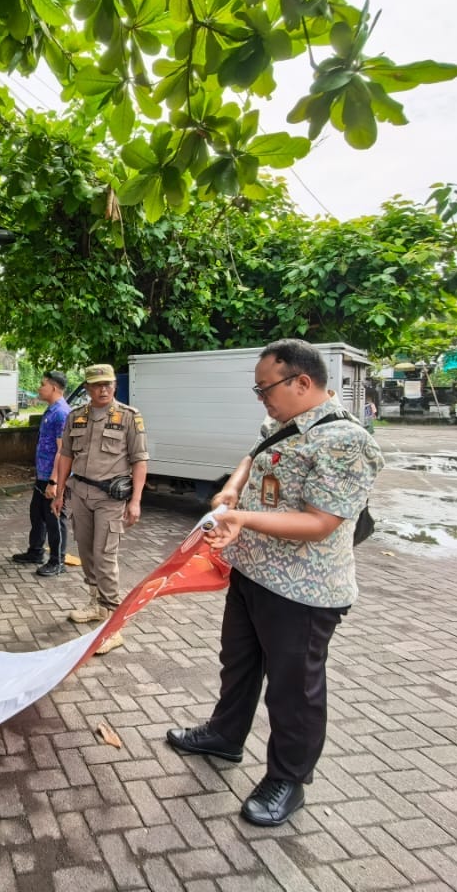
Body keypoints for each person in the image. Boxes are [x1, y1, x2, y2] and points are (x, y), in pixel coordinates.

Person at [166, 339, 383, 828]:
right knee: (238, 664)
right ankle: (225, 736)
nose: (261, 398)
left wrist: (242, 517)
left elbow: (321, 522)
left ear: (302, 382)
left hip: (303, 592)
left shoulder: (345, 441)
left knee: (293, 690)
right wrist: (230, 491)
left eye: (266, 388)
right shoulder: (283, 423)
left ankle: (288, 778)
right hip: (253, 573)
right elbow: (253, 455)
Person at [51, 364, 147, 654]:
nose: (103, 389)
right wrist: (59, 491)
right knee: (86, 552)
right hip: (81, 493)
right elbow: (66, 455)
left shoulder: (128, 417)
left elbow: (139, 460)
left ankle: (112, 624)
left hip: (110, 498)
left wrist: (136, 501)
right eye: (96, 385)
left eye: (108, 384)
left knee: (105, 556)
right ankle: (96, 603)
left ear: (114, 386)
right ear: (87, 388)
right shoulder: (76, 416)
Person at [11, 370, 71, 577]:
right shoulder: (51, 410)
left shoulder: (62, 413)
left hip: (53, 478)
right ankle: (36, 551)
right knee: (37, 514)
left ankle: (58, 561)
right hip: (43, 475)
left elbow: (63, 451)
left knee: (54, 518)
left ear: (53, 387)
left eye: (42, 384)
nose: (39, 388)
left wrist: (54, 482)